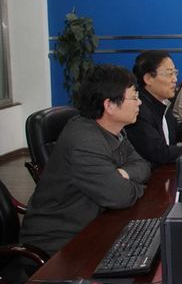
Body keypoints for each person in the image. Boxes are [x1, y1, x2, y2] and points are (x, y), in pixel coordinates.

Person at [20, 65, 151, 256]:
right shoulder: (85, 142)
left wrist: (122, 174)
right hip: (58, 245)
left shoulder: (115, 130)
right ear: (109, 105)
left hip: (93, 225)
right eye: (134, 97)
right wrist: (136, 185)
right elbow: (121, 196)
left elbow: (143, 166)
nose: (139, 102)